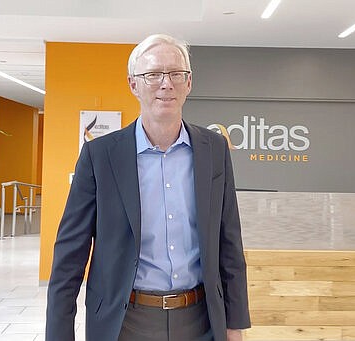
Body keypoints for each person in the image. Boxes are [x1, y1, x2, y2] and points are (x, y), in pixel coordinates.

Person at [45, 34, 251, 341]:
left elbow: (229, 242)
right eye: (153, 74)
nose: (166, 84)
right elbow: (69, 256)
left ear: (189, 83)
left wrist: (235, 324)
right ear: (133, 85)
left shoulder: (214, 150)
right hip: (125, 322)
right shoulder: (100, 156)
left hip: (201, 318)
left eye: (176, 74)